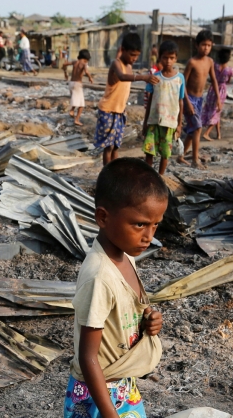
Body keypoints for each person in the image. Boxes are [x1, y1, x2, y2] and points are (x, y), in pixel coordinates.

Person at [65, 157, 167, 418]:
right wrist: (109, 414)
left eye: (156, 224)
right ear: (103, 217)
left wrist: (149, 320)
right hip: (97, 394)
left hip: (122, 384)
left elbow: (127, 310)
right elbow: (88, 357)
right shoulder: (99, 276)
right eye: (140, 224)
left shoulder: (125, 256)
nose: (149, 237)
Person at [95, 33, 159, 166]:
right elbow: (122, 76)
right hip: (108, 110)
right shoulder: (116, 64)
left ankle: (115, 171)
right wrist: (143, 77)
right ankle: (108, 172)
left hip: (119, 111)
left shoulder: (129, 67)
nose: (134, 58)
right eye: (132, 54)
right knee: (109, 147)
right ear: (123, 50)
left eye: (137, 55)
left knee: (117, 145)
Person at [178, 29, 221, 169]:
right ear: (197, 45)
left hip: (199, 99)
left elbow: (214, 80)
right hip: (189, 99)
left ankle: (181, 156)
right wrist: (187, 102)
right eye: (203, 45)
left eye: (209, 45)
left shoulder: (210, 61)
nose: (206, 48)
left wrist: (218, 99)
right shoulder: (192, 62)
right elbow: (182, 83)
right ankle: (195, 160)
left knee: (192, 130)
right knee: (197, 128)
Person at [141, 40, 185, 175]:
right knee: (149, 150)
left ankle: (160, 177)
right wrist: (145, 122)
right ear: (160, 57)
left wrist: (179, 124)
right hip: (154, 120)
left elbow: (180, 101)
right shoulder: (154, 78)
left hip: (169, 123)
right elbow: (149, 101)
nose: (168, 61)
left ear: (176, 58)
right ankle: (149, 176)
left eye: (172, 58)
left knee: (165, 153)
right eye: (165, 57)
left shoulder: (180, 78)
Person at [202, 48, 233, 141]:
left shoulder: (215, 66)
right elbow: (228, 80)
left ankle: (218, 134)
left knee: (215, 111)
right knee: (216, 112)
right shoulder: (229, 70)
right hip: (221, 90)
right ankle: (206, 133)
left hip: (212, 89)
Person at [64, 49, 94, 126]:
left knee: (76, 99)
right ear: (86, 58)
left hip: (71, 83)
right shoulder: (83, 63)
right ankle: (76, 119)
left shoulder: (75, 62)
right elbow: (86, 71)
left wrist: (65, 73)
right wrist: (90, 77)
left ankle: (72, 110)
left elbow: (64, 64)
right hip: (77, 84)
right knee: (81, 104)